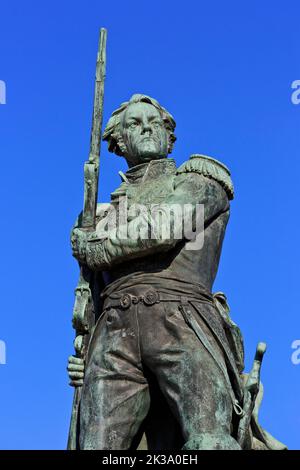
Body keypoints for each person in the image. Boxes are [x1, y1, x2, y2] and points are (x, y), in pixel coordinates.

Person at [69, 94, 284, 450]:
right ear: (119, 142)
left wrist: (95, 247)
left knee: (209, 442)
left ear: (170, 137)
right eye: (135, 124)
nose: (147, 128)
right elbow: (90, 295)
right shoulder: (99, 215)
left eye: (155, 122)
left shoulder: (202, 179)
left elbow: (165, 226)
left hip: (183, 320)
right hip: (111, 334)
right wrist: (82, 351)